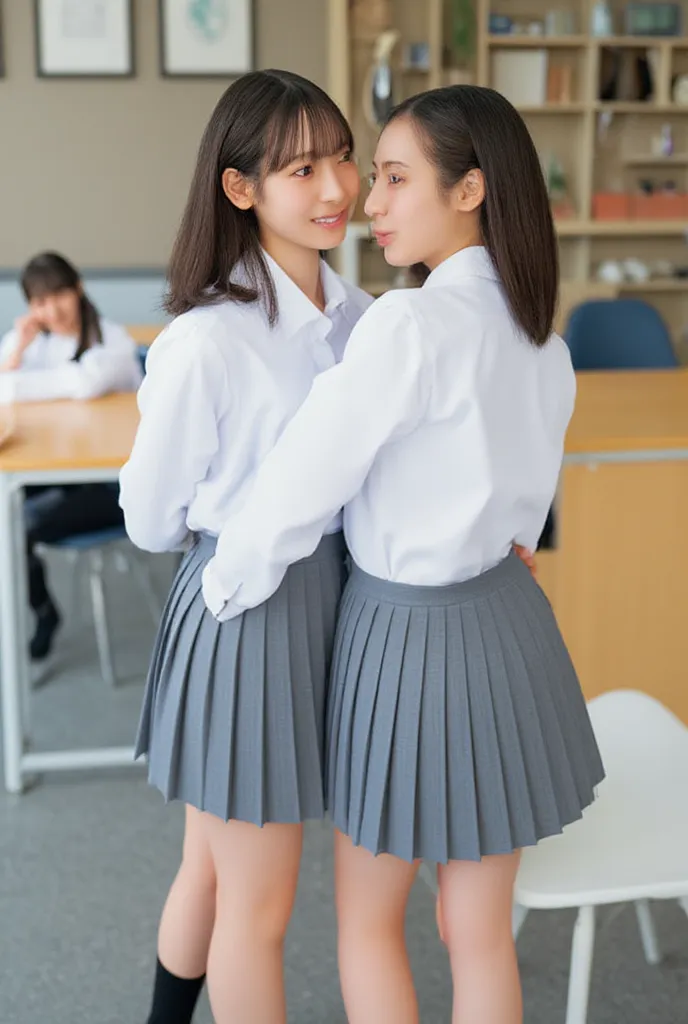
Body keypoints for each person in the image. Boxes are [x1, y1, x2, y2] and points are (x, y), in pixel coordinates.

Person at [201, 85, 606, 1024]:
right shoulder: (545, 339)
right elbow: (527, 516)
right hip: (509, 623)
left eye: (391, 177)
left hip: (402, 635)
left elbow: (307, 477)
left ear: (469, 191)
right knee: (479, 934)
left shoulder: (407, 324)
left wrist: (227, 583)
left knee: (370, 927)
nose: (367, 201)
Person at [118, 69, 370, 1024]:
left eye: (343, 157)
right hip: (246, 614)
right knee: (257, 909)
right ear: (241, 188)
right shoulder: (209, 340)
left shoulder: (361, 319)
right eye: (301, 168)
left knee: (213, 872)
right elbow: (149, 519)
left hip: (333, 599)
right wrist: (228, 519)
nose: (336, 187)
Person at [0, 252, 142, 659]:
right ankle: (39, 607)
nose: (52, 309)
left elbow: (88, 382)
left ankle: (42, 614)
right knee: (5, 514)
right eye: (40, 302)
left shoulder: (112, 338)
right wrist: (19, 351)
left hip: (111, 482)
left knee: (19, 524)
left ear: (78, 288)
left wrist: (19, 384)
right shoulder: (27, 344)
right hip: (55, 472)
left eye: (59, 294)